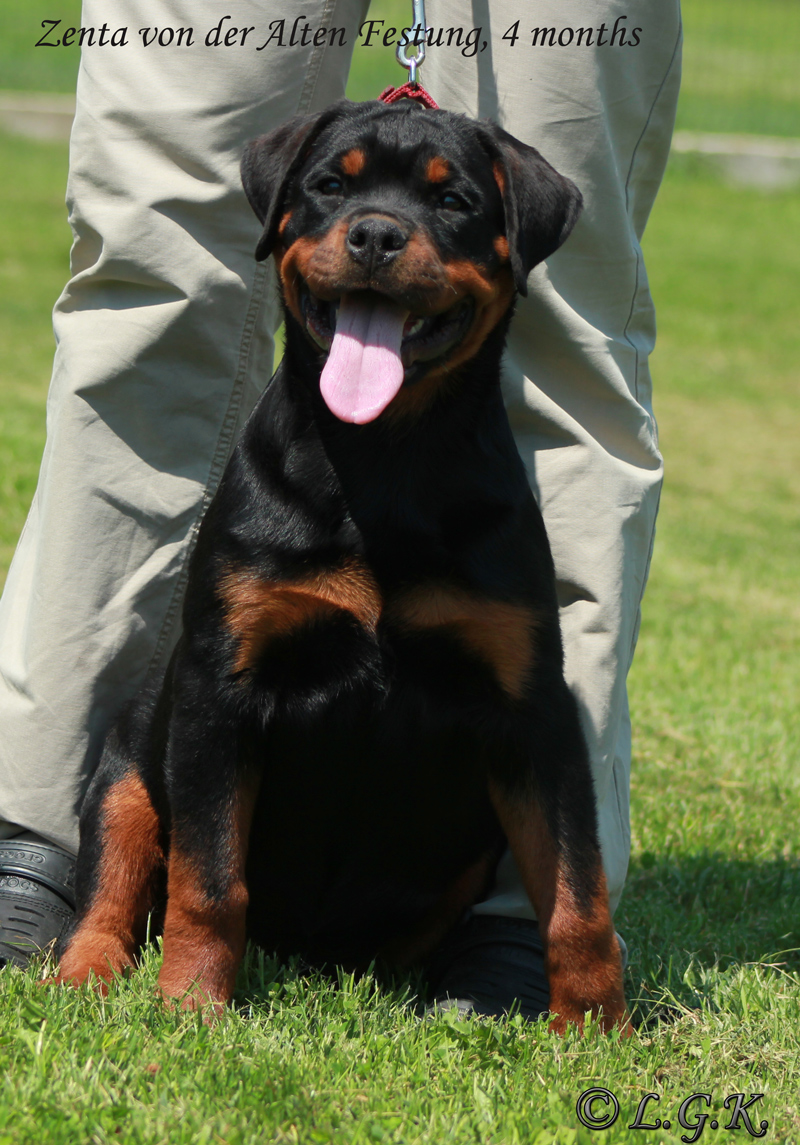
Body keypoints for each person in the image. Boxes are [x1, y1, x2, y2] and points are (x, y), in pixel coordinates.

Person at [0, 1, 682, 1016]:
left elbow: (527, 737)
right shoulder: (262, 519)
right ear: (281, 215)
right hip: (244, 827)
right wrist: (202, 927)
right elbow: (210, 713)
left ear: (505, 247)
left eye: (443, 211)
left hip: (425, 820)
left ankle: (516, 929)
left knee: (578, 329)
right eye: (334, 198)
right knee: (156, 240)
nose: (377, 233)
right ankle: (68, 863)